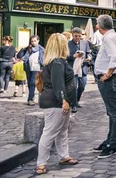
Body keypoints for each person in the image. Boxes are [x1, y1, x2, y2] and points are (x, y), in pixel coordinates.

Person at [35, 33, 77, 175]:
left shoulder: (53, 61)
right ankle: (41, 163)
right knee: (50, 132)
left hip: (54, 100)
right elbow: (58, 84)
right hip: (56, 102)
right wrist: (65, 100)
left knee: (62, 130)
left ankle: (64, 156)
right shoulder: (58, 63)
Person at [92, 15, 116, 159]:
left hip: (109, 79)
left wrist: (107, 74)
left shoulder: (108, 38)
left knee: (113, 112)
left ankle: (113, 144)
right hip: (112, 78)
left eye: (97, 23)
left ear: (100, 25)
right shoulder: (114, 36)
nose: (96, 25)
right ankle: (110, 140)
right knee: (112, 112)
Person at [67, 27, 91, 109]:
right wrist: (73, 56)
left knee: (82, 86)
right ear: (72, 35)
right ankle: (73, 105)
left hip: (83, 67)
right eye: (76, 36)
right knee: (73, 87)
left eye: (79, 36)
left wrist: (89, 57)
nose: (77, 38)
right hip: (72, 68)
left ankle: (76, 101)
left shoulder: (85, 43)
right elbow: (65, 56)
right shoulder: (68, 44)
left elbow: (89, 53)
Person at [17, 35, 44, 106]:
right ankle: (31, 97)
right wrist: (24, 49)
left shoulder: (41, 49)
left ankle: (30, 99)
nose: (33, 42)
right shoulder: (27, 49)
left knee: (32, 82)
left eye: (35, 41)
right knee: (29, 83)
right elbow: (19, 56)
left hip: (37, 67)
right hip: (28, 67)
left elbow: (44, 58)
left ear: (38, 41)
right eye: (32, 41)